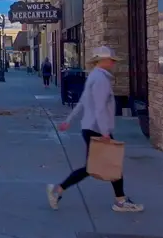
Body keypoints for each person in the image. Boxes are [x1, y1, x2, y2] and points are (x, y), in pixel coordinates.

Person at [47, 46, 143, 213]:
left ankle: (59, 190)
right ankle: (120, 201)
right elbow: (99, 107)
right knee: (108, 165)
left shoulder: (94, 77)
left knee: (98, 167)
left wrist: (68, 121)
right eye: (111, 59)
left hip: (90, 127)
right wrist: (105, 131)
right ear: (102, 61)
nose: (113, 62)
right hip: (97, 129)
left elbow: (83, 102)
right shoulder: (101, 80)